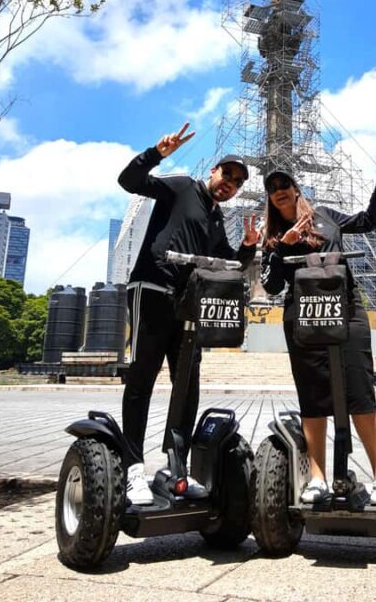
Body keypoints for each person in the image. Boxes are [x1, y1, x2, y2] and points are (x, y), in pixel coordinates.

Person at [118, 123, 258, 504]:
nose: (229, 182)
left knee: (187, 387)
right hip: (150, 289)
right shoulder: (180, 187)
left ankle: (174, 467)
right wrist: (156, 153)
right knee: (142, 379)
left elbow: (226, 263)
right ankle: (133, 469)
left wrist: (247, 248)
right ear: (213, 171)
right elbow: (129, 180)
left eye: (237, 182)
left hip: (186, 305)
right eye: (226, 173)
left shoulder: (215, 219)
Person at [260, 149, 376, 505]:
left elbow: (367, 221)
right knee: (314, 397)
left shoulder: (325, 216)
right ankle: (316, 476)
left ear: (296, 188)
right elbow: (271, 286)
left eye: (284, 183)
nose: (279, 190)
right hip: (302, 316)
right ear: (270, 199)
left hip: (345, 308)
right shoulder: (272, 236)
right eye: (272, 188)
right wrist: (281, 248)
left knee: (360, 391)